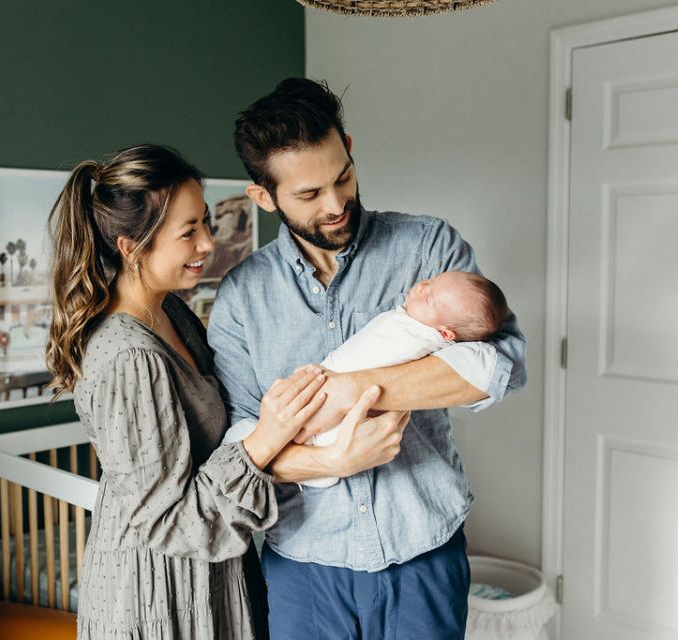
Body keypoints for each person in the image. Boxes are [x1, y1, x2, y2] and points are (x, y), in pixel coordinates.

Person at [206, 79, 527, 639]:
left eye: (343, 177)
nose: (335, 205)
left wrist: (356, 389)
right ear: (265, 197)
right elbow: (241, 445)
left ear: (349, 148)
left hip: (422, 550)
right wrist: (331, 461)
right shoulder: (241, 298)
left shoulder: (429, 249)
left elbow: (500, 367)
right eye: (309, 195)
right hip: (304, 560)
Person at [44, 144, 404, 639]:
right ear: (131, 247)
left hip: (211, 573)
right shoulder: (130, 357)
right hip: (161, 593)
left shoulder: (172, 314)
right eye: (188, 232)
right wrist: (270, 436)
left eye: (205, 224)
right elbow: (172, 523)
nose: (207, 244)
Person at [221, 270, 510, 488]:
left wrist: (344, 391)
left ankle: (305, 458)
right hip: (318, 389)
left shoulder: (424, 338)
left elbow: (493, 367)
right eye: (429, 282)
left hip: (340, 415)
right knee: (248, 438)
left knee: (259, 440)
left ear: (445, 334)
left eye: (430, 297)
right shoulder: (240, 289)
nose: (421, 287)